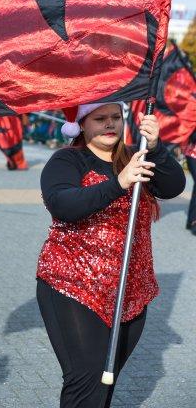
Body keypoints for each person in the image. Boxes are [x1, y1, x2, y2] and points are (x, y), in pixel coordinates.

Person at [36, 102, 185, 408]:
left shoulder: (135, 155)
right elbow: (64, 204)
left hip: (130, 291)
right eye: (100, 119)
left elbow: (172, 186)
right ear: (82, 124)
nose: (109, 125)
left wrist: (155, 148)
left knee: (106, 379)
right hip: (74, 286)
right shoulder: (67, 159)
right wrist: (119, 183)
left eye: (115, 117)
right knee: (86, 378)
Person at [183, 129, 196, 236]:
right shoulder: (193, 117)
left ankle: (190, 220)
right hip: (192, 155)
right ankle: (193, 221)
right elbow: (192, 137)